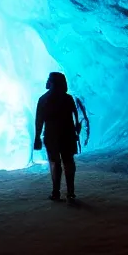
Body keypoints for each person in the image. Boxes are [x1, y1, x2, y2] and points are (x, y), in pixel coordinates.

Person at [34, 72, 80, 202]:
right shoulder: (68, 98)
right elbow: (76, 117)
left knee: (55, 163)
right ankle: (70, 193)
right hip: (68, 135)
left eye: (48, 79)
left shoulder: (44, 99)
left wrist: (37, 137)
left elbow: (39, 120)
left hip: (51, 135)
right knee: (68, 162)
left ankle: (56, 192)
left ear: (53, 82)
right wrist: (77, 131)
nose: (46, 81)